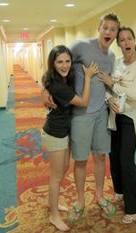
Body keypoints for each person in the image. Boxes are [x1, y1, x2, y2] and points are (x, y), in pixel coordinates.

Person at [42, 13, 121, 222]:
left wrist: (111, 97)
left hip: (101, 115)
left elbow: (106, 84)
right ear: (99, 28)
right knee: (80, 160)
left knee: (100, 157)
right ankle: (79, 200)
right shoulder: (81, 46)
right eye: (105, 27)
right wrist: (45, 89)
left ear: (116, 34)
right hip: (80, 116)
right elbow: (57, 64)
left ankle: (99, 195)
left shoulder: (112, 57)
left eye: (113, 29)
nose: (108, 32)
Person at [41, 45, 98, 231]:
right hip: (55, 133)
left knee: (63, 169)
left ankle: (52, 203)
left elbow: (45, 79)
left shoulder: (61, 78)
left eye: (67, 61)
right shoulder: (58, 85)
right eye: (60, 62)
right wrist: (88, 77)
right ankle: (54, 216)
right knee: (56, 176)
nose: (65, 65)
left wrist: (44, 90)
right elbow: (83, 102)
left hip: (63, 132)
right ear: (53, 64)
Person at [98, 26, 136, 224]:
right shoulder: (118, 63)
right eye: (122, 40)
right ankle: (120, 191)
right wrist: (107, 99)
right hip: (114, 115)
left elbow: (135, 93)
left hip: (131, 117)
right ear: (118, 43)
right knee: (114, 155)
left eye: (129, 38)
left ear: (134, 40)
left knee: (125, 160)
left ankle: (135, 207)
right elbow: (105, 87)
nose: (126, 42)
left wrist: (112, 85)